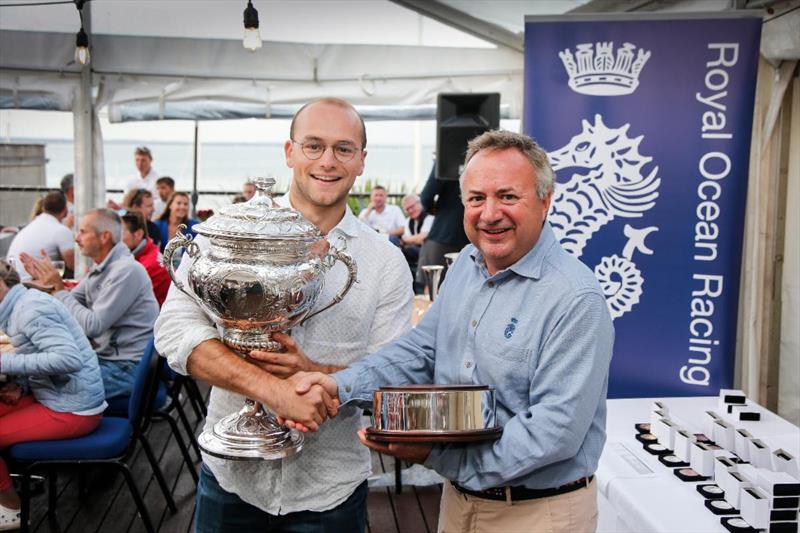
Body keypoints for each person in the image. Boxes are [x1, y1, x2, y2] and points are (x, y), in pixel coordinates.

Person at [284, 131, 615, 533]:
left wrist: (438, 458)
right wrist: (340, 386)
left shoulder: (575, 298)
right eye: (476, 198)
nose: (489, 213)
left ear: (545, 201)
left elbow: (554, 432)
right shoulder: (466, 266)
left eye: (508, 196)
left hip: (538, 514)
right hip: (459, 502)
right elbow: (421, 351)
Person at [154, 97, 413, 532]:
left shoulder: (385, 262)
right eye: (313, 145)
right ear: (289, 152)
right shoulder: (228, 231)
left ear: (362, 161)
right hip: (232, 479)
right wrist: (274, 391)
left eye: (343, 149)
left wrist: (318, 372)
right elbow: (175, 331)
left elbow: (394, 379)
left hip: (330, 489)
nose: (327, 161)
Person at [0, 260, 106, 530]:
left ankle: (11, 508)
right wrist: (21, 385)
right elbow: (40, 355)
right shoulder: (22, 304)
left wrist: (5, 363)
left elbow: (68, 359)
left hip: (73, 408)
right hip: (60, 396)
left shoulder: (30, 309)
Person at [20, 208, 159, 399]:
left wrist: (57, 289)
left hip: (126, 368)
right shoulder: (104, 267)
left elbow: (93, 326)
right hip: (107, 360)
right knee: (35, 375)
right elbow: (72, 299)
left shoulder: (126, 270)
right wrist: (47, 285)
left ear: (104, 237)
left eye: (83, 232)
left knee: (41, 386)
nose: (76, 238)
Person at [416, 164, 471, 285]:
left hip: (444, 233)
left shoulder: (445, 156)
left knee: (433, 287)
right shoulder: (485, 154)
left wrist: (434, 210)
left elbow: (426, 197)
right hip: (474, 236)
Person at [7, 192, 75, 279]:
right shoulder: (61, 230)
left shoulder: (34, 224)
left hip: (15, 280)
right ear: (65, 209)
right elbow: (73, 265)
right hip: (31, 283)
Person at [121, 212, 170, 307]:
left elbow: (123, 303)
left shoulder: (146, 266)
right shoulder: (149, 253)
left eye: (121, 233)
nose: (116, 239)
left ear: (138, 234)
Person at [399, 193, 433, 268]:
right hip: (415, 252)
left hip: (430, 253)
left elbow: (422, 239)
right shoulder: (408, 221)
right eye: (407, 209)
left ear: (420, 203)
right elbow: (407, 242)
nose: (410, 210)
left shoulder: (429, 217)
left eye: (412, 206)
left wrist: (405, 239)